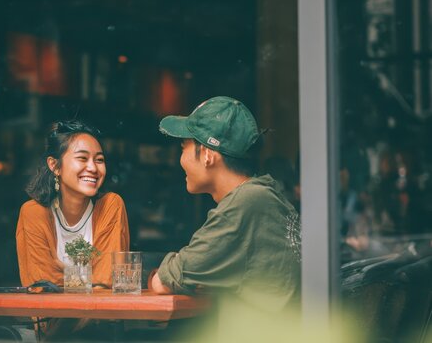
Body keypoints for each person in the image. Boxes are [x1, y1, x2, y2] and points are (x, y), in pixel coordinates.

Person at [150, 96, 301, 324]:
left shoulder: (247, 203)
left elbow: (162, 281)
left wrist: (169, 273)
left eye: (184, 148)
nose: (179, 159)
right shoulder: (263, 193)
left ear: (209, 155)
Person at [16, 120, 130, 289]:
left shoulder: (110, 205)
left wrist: (59, 267)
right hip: (50, 315)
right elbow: (41, 286)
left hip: (100, 314)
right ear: (55, 166)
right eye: (82, 158)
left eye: (99, 160)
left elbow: (107, 281)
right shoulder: (33, 213)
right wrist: (90, 276)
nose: (93, 167)